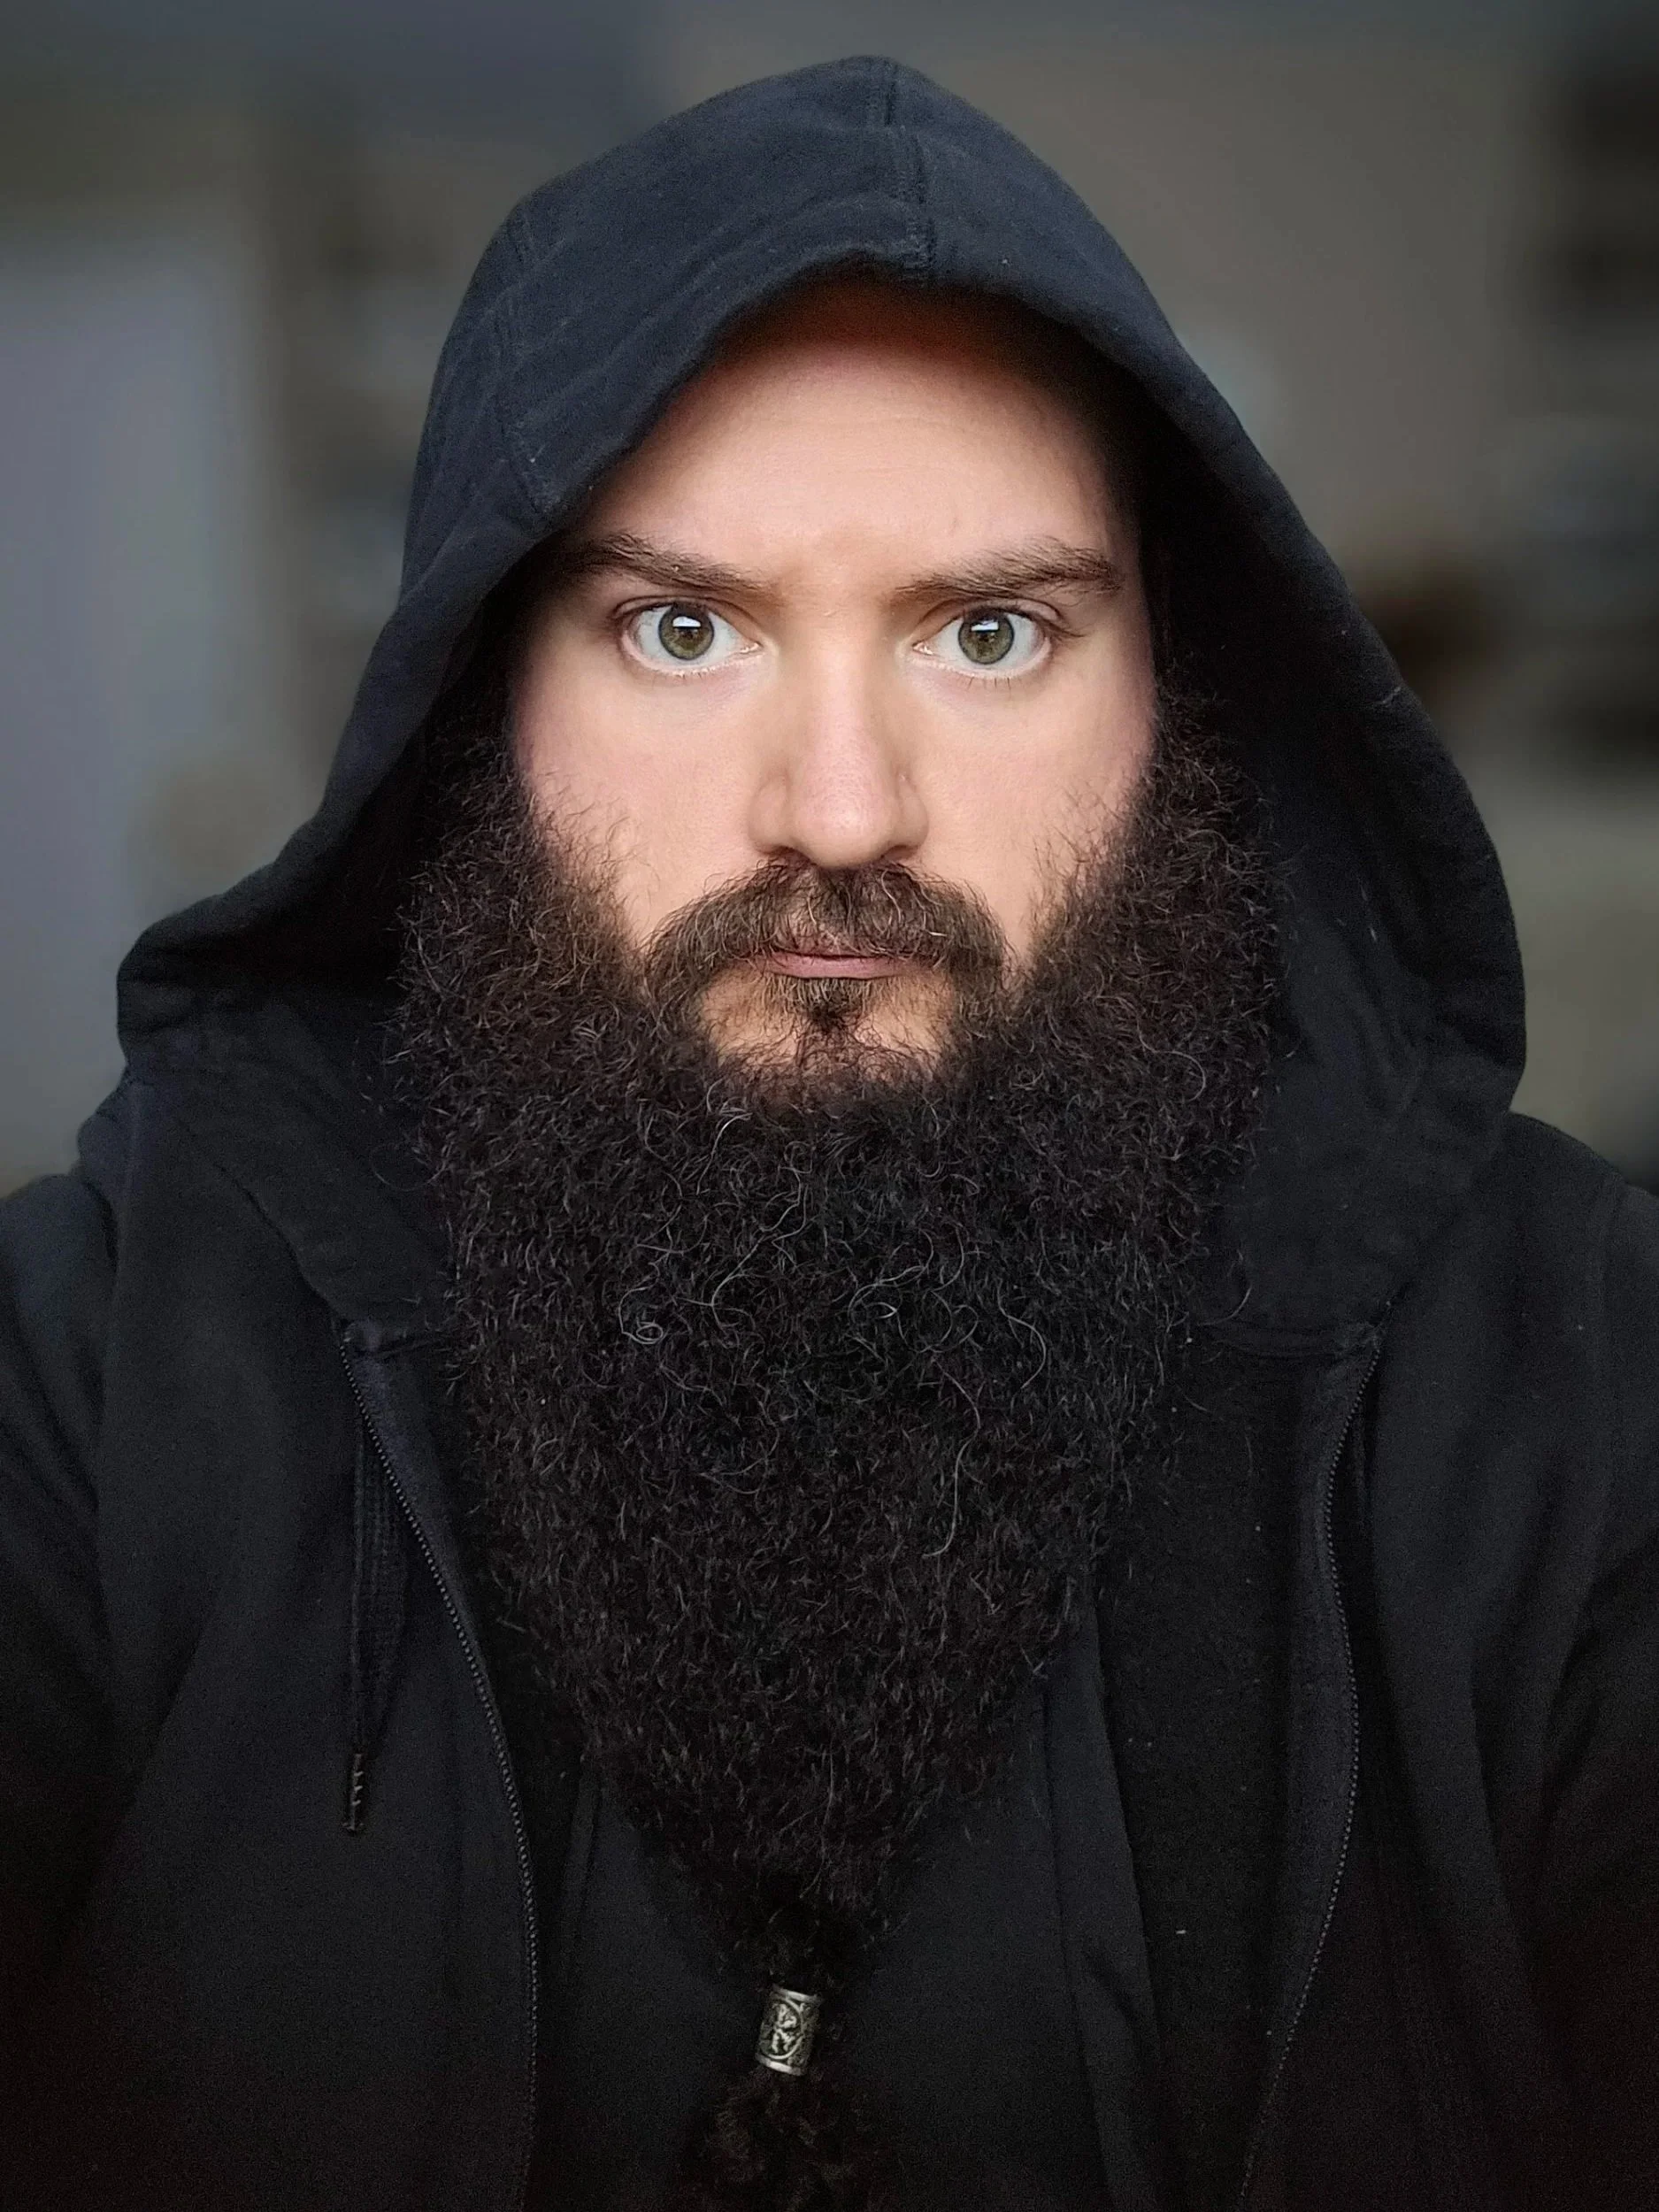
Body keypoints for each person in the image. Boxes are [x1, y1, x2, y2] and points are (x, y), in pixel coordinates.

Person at [1, 55, 1655, 2212]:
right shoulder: (103, 1359)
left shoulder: (1572, 1377)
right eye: (681, 629)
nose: (845, 810)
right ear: (479, 691)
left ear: (1176, 688)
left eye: (991, 632)